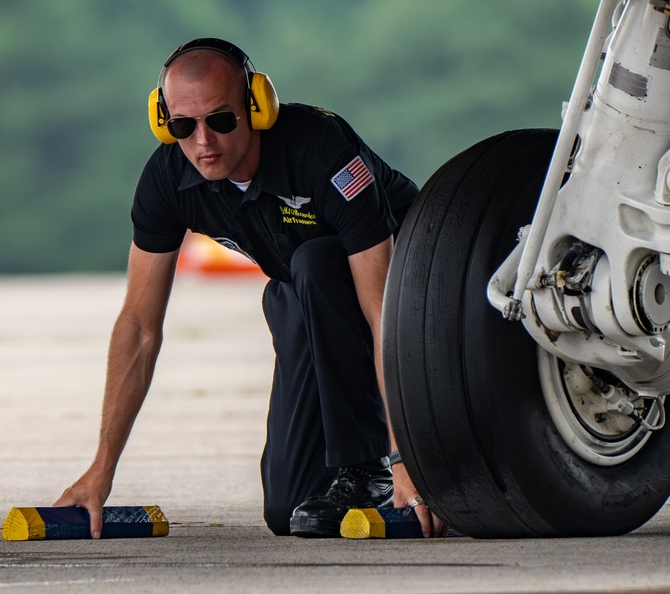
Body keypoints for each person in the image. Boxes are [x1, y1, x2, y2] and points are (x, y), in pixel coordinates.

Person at [55, 38, 446, 538]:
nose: (203, 142)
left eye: (220, 120)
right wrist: (100, 473)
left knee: (315, 259)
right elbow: (138, 327)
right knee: (288, 511)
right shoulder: (168, 180)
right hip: (305, 299)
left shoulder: (320, 151)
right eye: (183, 126)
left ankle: (366, 466)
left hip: (417, 290)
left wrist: (405, 460)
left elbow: (384, 314)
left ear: (257, 107)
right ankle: (353, 471)